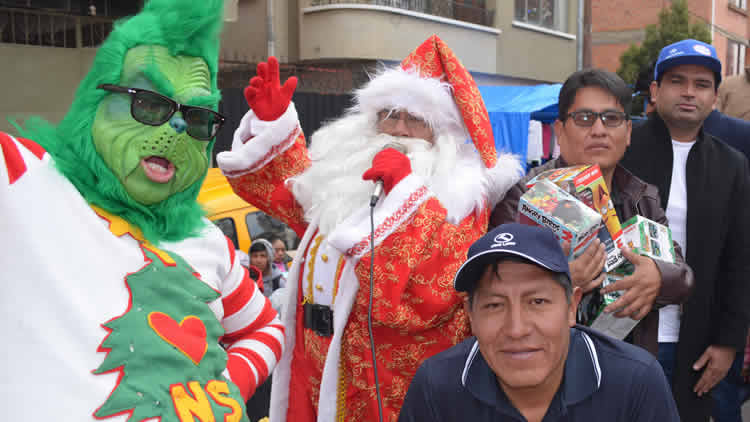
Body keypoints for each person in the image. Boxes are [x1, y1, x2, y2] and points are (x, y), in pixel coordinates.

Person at [0, 1, 283, 420]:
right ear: (96, 100)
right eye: (149, 103)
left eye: (199, 116)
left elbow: (265, 328)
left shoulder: (206, 239)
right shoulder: (24, 180)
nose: (178, 128)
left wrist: (223, 388)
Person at [216, 35, 523, 421]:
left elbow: (433, 299)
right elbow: (294, 193)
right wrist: (274, 126)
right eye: (389, 114)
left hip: (386, 391)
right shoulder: (353, 178)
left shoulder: (458, 204)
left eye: (416, 120)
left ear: (444, 136)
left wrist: (403, 198)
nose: (398, 128)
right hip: (315, 368)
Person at [491, 68, 693, 355]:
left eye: (611, 119)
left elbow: (683, 274)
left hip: (626, 366)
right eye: (585, 118)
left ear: (628, 133)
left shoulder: (642, 196)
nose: (599, 130)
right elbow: (494, 283)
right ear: (560, 131)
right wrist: (559, 281)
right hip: (547, 365)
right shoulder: (525, 196)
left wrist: (659, 276)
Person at [398, 223, 680, 422]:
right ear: (470, 315)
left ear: (572, 306)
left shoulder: (634, 382)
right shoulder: (438, 386)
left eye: (537, 302)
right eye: (494, 305)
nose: (517, 329)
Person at [620, 39, 750, 422]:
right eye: (677, 81)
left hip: (697, 342)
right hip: (625, 331)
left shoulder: (732, 166)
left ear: (714, 98)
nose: (690, 92)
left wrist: (729, 341)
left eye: (702, 84)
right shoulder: (622, 148)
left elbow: (740, 260)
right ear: (656, 91)